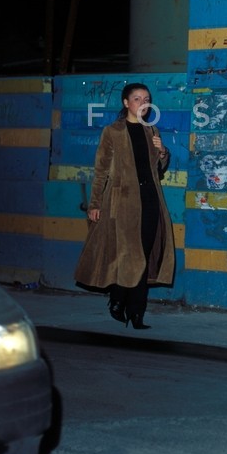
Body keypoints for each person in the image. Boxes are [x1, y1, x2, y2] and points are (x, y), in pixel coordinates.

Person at [74, 83, 176, 328]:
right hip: (123, 203)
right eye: (137, 98)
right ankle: (129, 306)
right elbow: (101, 171)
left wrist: (163, 152)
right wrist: (95, 204)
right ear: (126, 103)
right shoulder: (113, 131)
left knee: (144, 253)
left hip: (151, 200)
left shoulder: (152, 130)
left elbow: (158, 170)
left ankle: (127, 305)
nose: (143, 103)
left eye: (147, 99)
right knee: (131, 255)